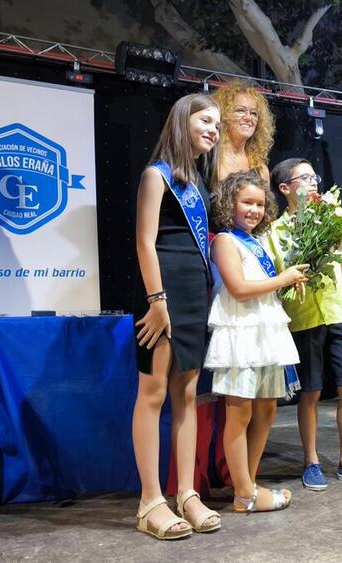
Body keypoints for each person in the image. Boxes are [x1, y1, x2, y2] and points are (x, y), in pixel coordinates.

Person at [132, 93, 222, 540]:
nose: (214, 130)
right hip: (162, 297)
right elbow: (145, 243)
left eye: (217, 125)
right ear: (183, 121)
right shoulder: (157, 175)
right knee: (153, 394)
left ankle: (186, 492)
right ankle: (151, 501)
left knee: (187, 395)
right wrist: (156, 299)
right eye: (206, 121)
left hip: (192, 297)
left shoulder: (195, 184)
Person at [265, 158, 342, 491]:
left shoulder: (332, 220)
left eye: (314, 177)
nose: (313, 183)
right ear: (285, 188)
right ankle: (311, 461)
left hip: (334, 315)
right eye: (304, 178)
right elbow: (276, 280)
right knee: (311, 392)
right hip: (302, 319)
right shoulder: (276, 231)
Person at [204, 170, 307, 513]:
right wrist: (282, 279)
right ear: (229, 203)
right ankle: (245, 493)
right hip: (239, 333)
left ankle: (247, 482)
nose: (254, 210)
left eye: (260, 204)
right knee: (240, 412)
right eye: (247, 202)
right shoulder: (224, 241)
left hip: (265, 333)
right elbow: (238, 288)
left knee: (267, 408)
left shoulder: (259, 241)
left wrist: (287, 282)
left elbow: (264, 287)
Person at [211, 81, 274, 186]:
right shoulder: (208, 157)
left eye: (254, 113)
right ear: (222, 114)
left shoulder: (260, 169)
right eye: (240, 111)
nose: (248, 118)